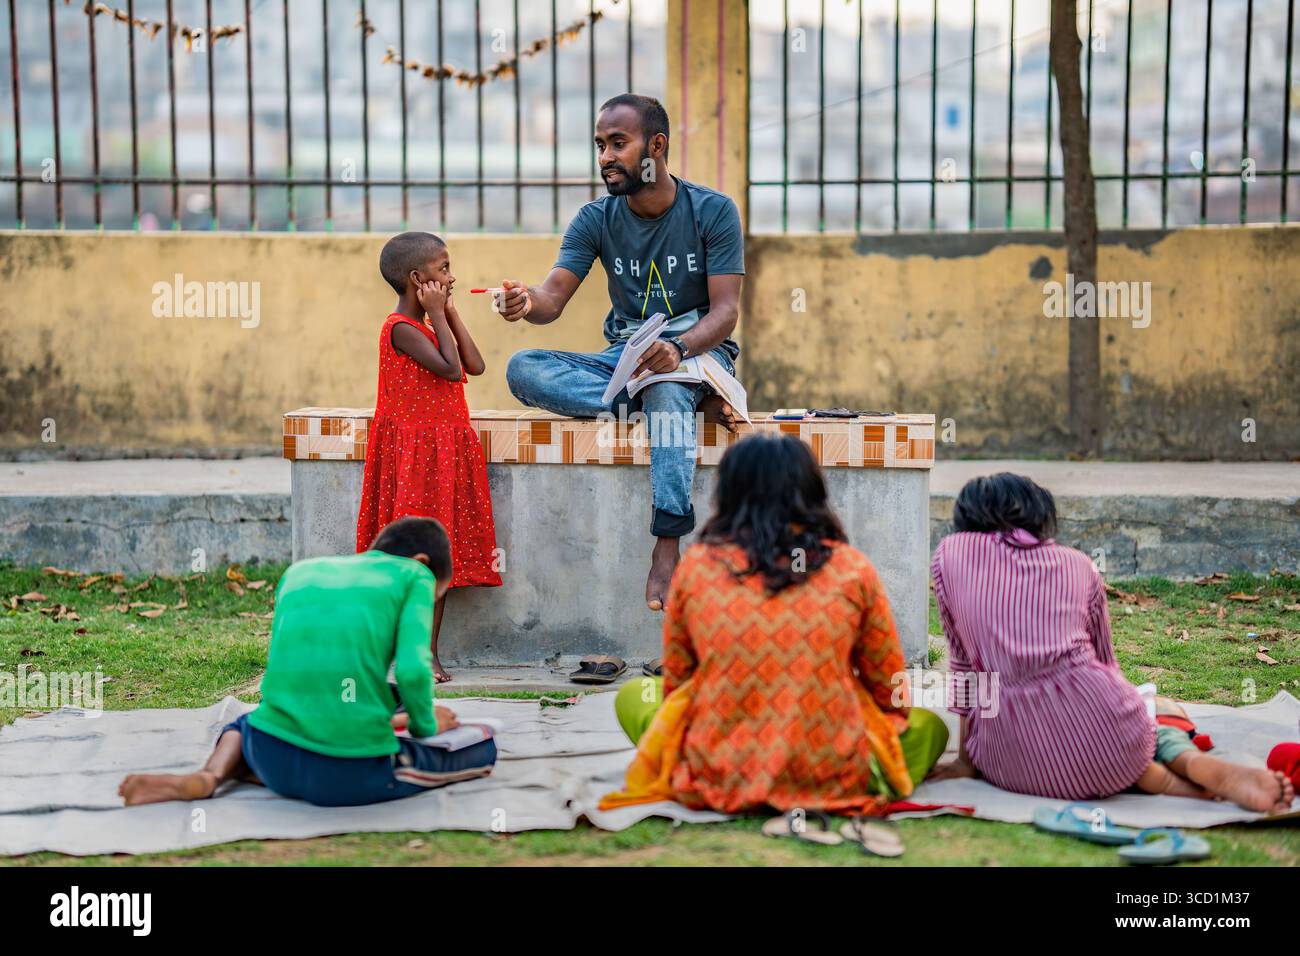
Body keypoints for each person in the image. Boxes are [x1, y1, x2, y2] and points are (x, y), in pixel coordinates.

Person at [605, 434, 948, 814]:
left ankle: (714, 775)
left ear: (729, 494)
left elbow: (678, 688)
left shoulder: (699, 567)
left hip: (720, 769)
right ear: (812, 492)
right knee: (929, 727)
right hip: (833, 771)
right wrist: (870, 724)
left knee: (635, 697)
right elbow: (889, 688)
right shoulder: (850, 568)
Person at [496, 93, 745, 613]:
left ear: (656, 146)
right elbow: (552, 300)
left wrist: (677, 349)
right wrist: (526, 302)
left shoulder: (713, 211)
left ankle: (668, 542)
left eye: (618, 143)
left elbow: (724, 314)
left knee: (668, 387)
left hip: (696, 355)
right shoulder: (595, 219)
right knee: (524, 369)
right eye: (599, 145)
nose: (606, 156)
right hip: (624, 360)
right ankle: (660, 401)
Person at [929, 472, 1295, 814]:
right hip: (1108, 736)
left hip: (1010, 763)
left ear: (967, 518)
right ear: (1039, 515)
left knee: (1080, 737)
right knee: (1154, 719)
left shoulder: (949, 556)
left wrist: (966, 760)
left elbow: (964, 667)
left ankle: (1169, 783)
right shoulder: (1078, 564)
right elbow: (1105, 665)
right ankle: (1191, 766)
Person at [119, 517, 496, 808]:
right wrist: (424, 723)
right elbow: (415, 670)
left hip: (271, 755)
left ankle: (209, 776)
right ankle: (369, 741)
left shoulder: (300, 572)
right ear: (421, 563)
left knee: (245, 722)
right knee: (482, 750)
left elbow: (307, 677)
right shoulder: (414, 575)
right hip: (349, 773)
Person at [355, 231, 503, 683]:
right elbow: (451, 368)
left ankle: (425, 651)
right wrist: (437, 313)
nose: (451, 276)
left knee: (439, 556)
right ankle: (416, 654)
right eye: (443, 270)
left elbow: (474, 366)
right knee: (417, 558)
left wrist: (450, 312)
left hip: (445, 454)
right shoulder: (400, 329)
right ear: (418, 279)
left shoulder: (431, 322)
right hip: (416, 459)